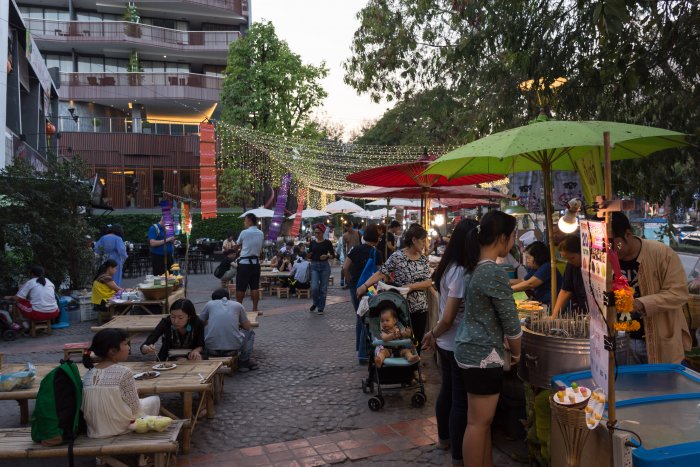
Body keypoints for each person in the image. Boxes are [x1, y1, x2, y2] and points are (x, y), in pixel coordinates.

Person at [454, 210, 522, 467]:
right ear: (503, 237)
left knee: (481, 423)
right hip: (482, 354)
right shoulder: (492, 272)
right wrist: (517, 354)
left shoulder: (475, 268)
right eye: (513, 235)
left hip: (470, 349)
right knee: (478, 424)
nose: (513, 241)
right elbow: (512, 323)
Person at [421, 219, 478, 465]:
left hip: (448, 342)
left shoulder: (452, 266)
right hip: (454, 342)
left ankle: (444, 439)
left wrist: (436, 334)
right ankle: (458, 456)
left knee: (448, 392)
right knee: (459, 401)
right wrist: (433, 333)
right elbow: (448, 317)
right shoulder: (458, 271)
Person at [611, 212, 690, 364]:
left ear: (628, 234)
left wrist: (641, 303)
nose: (610, 250)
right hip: (621, 341)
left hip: (658, 340)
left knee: (663, 386)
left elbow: (678, 293)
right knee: (627, 387)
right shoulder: (606, 260)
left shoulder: (661, 253)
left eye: (614, 244)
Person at [358, 223, 433, 348]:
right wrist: (365, 286)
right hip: (401, 307)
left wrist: (411, 287)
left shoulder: (423, 259)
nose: (425, 244)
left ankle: (414, 364)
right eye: (423, 240)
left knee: (417, 340)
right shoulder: (397, 256)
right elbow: (381, 273)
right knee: (401, 340)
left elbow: (428, 282)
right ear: (414, 240)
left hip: (420, 308)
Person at [82, 329, 160, 438]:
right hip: (119, 428)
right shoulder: (123, 372)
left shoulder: (89, 374)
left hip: (95, 430)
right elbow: (136, 410)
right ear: (112, 351)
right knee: (154, 400)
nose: (129, 347)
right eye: (125, 344)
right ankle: (144, 437)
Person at [343, 224, 383, 364]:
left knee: (360, 316)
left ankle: (360, 351)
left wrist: (350, 281)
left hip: (355, 287)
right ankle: (363, 353)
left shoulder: (354, 250)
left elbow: (345, 267)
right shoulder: (376, 253)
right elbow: (379, 273)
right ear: (376, 238)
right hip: (370, 288)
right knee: (368, 318)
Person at [200, 288, 258, 370]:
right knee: (250, 333)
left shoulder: (210, 304)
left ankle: (203, 354)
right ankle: (244, 360)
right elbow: (247, 326)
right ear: (228, 298)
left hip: (211, 349)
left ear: (213, 299)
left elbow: (200, 323)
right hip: (232, 349)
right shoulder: (237, 305)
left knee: (204, 329)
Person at [140, 298, 205, 361]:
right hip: (170, 357)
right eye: (173, 316)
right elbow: (146, 344)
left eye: (180, 317)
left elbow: (201, 345)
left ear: (189, 316)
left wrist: (196, 351)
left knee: (198, 359)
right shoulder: (166, 323)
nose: (176, 321)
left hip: (191, 356)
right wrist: (147, 348)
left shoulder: (197, 323)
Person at [511, 241, 562, 307]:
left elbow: (529, 284)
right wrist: (505, 282)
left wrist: (507, 290)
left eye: (528, 258)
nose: (527, 261)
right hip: (541, 303)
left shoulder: (547, 267)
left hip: (552, 305)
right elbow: (523, 281)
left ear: (537, 257)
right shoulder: (534, 269)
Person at [551, 235, 588, 318]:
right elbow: (566, 290)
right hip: (580, 312)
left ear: (581, 252)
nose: (569, 261)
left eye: (572, 258)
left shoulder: (592, 266)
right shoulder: (571, 265)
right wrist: (554, 316)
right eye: (566, 259)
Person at [236, 213, 264, 313]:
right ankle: (255, 308)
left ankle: (238, 309)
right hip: (255, 263)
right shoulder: (261, 233)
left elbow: (237, 244)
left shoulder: (244, 233)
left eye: (245, 220)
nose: (244, 222)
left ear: (250, 220)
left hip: (244, 263)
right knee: (255, 286)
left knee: (240, 287)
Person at [308, 223, 335, 315]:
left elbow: (333, 255)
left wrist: (327, 256)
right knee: (314, 287)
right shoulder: (312, 242)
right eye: (315, 233)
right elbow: (309, 254)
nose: (316, 234)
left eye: (318, 233)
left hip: (324, 266)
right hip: (314, 265)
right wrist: (308, 256)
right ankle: (315, 302)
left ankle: (321, 307)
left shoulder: (328, 243)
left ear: (323, 232)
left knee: (323, 288)